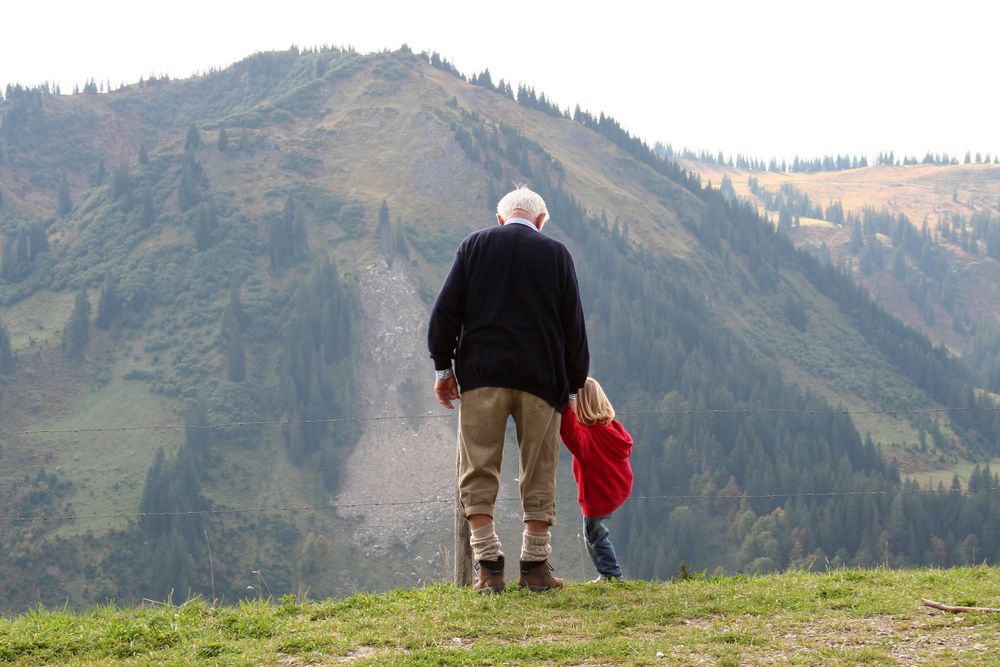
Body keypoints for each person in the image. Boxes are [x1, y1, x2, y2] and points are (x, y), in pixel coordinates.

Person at [428, 186, 589, 593]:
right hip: (541, 380)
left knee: (478, 468)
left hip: (483, 375)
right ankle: (535, 568)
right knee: (539, 470)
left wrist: (443, 367)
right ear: (540, 221)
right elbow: (573, 324)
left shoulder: (474, 246)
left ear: (502, 218)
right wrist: (572, 386)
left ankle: (489, 567)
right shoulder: (556, 255)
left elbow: (446, 310)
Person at [560, 376, 633, 582]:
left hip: (598, 495)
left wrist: (565, 407)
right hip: (616, 488)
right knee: (597, 532)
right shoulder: (611, 428)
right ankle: (608, 574)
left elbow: (569, 433)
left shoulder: (587, 436)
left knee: (595, 535)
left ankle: (611, 575)